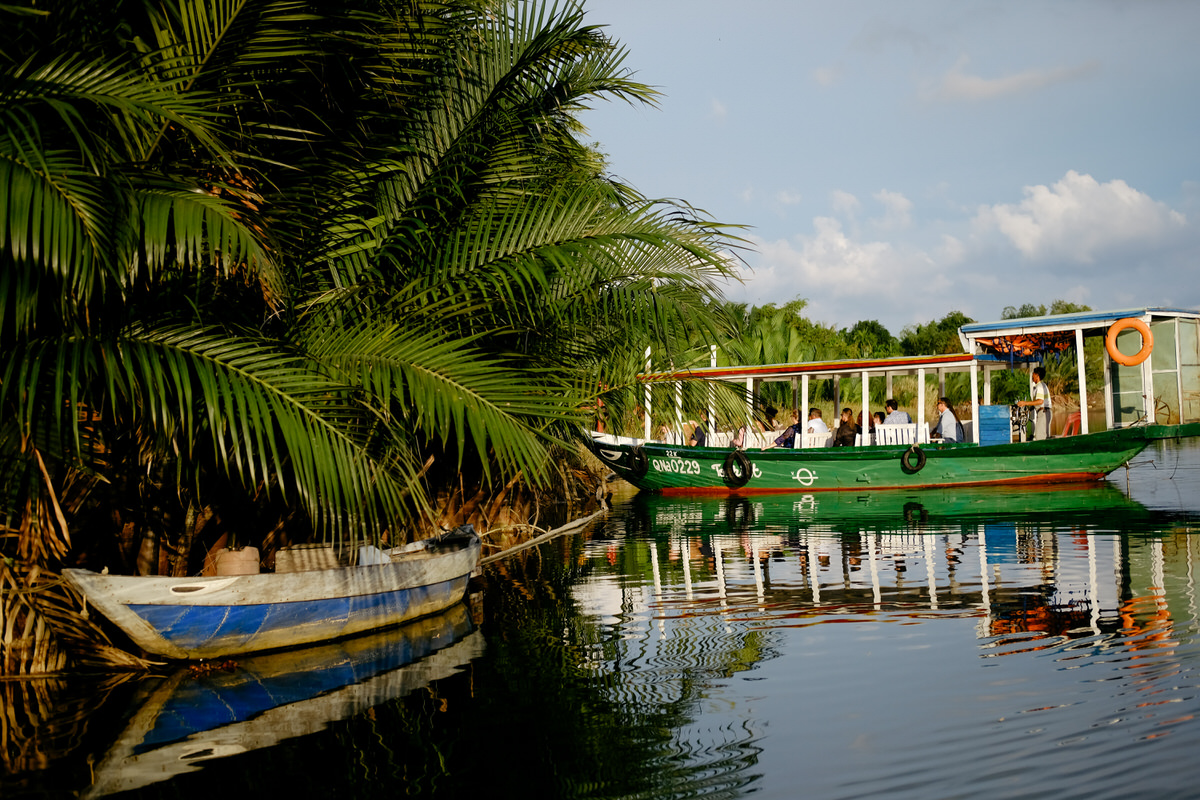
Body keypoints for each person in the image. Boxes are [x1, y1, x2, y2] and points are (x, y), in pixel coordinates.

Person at [1017, 366, 1052, 440]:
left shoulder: (1039, 386)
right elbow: (1037, 402)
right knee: (1044, 434)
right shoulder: (1040, 386)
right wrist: (1029, 409)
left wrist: (1025, 403)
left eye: (1033, 374)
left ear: (1037, 375)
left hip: (1043, 412)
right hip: (1044, 412)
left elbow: (1040, 401)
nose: (1032, 376)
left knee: (1040, 436)